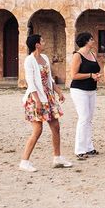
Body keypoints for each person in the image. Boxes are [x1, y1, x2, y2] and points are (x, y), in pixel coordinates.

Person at [20, 34, 72, 172]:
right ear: (37, 44)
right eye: (42, 40)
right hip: (35, 98)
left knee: (56, 127)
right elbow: (30, 83)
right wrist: (37, 101)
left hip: (48, 96)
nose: (44, 42)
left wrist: (59, 91)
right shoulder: (29, 60)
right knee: (37, 130)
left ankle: (57, 158)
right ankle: (24, 161)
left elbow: (49, 79)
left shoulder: (45, 58)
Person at [70, 32, 102, 160]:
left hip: (91, 89)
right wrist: (90, 75)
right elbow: (74, 75)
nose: (93, 41)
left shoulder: (92, 54)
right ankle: (79, 149)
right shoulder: (78, 55)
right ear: (85, 41)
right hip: (79, 90)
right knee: (83, 117)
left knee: (89, 118)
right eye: (91, 39)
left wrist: (96, 76)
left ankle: (89, 147)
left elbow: (95, 70)